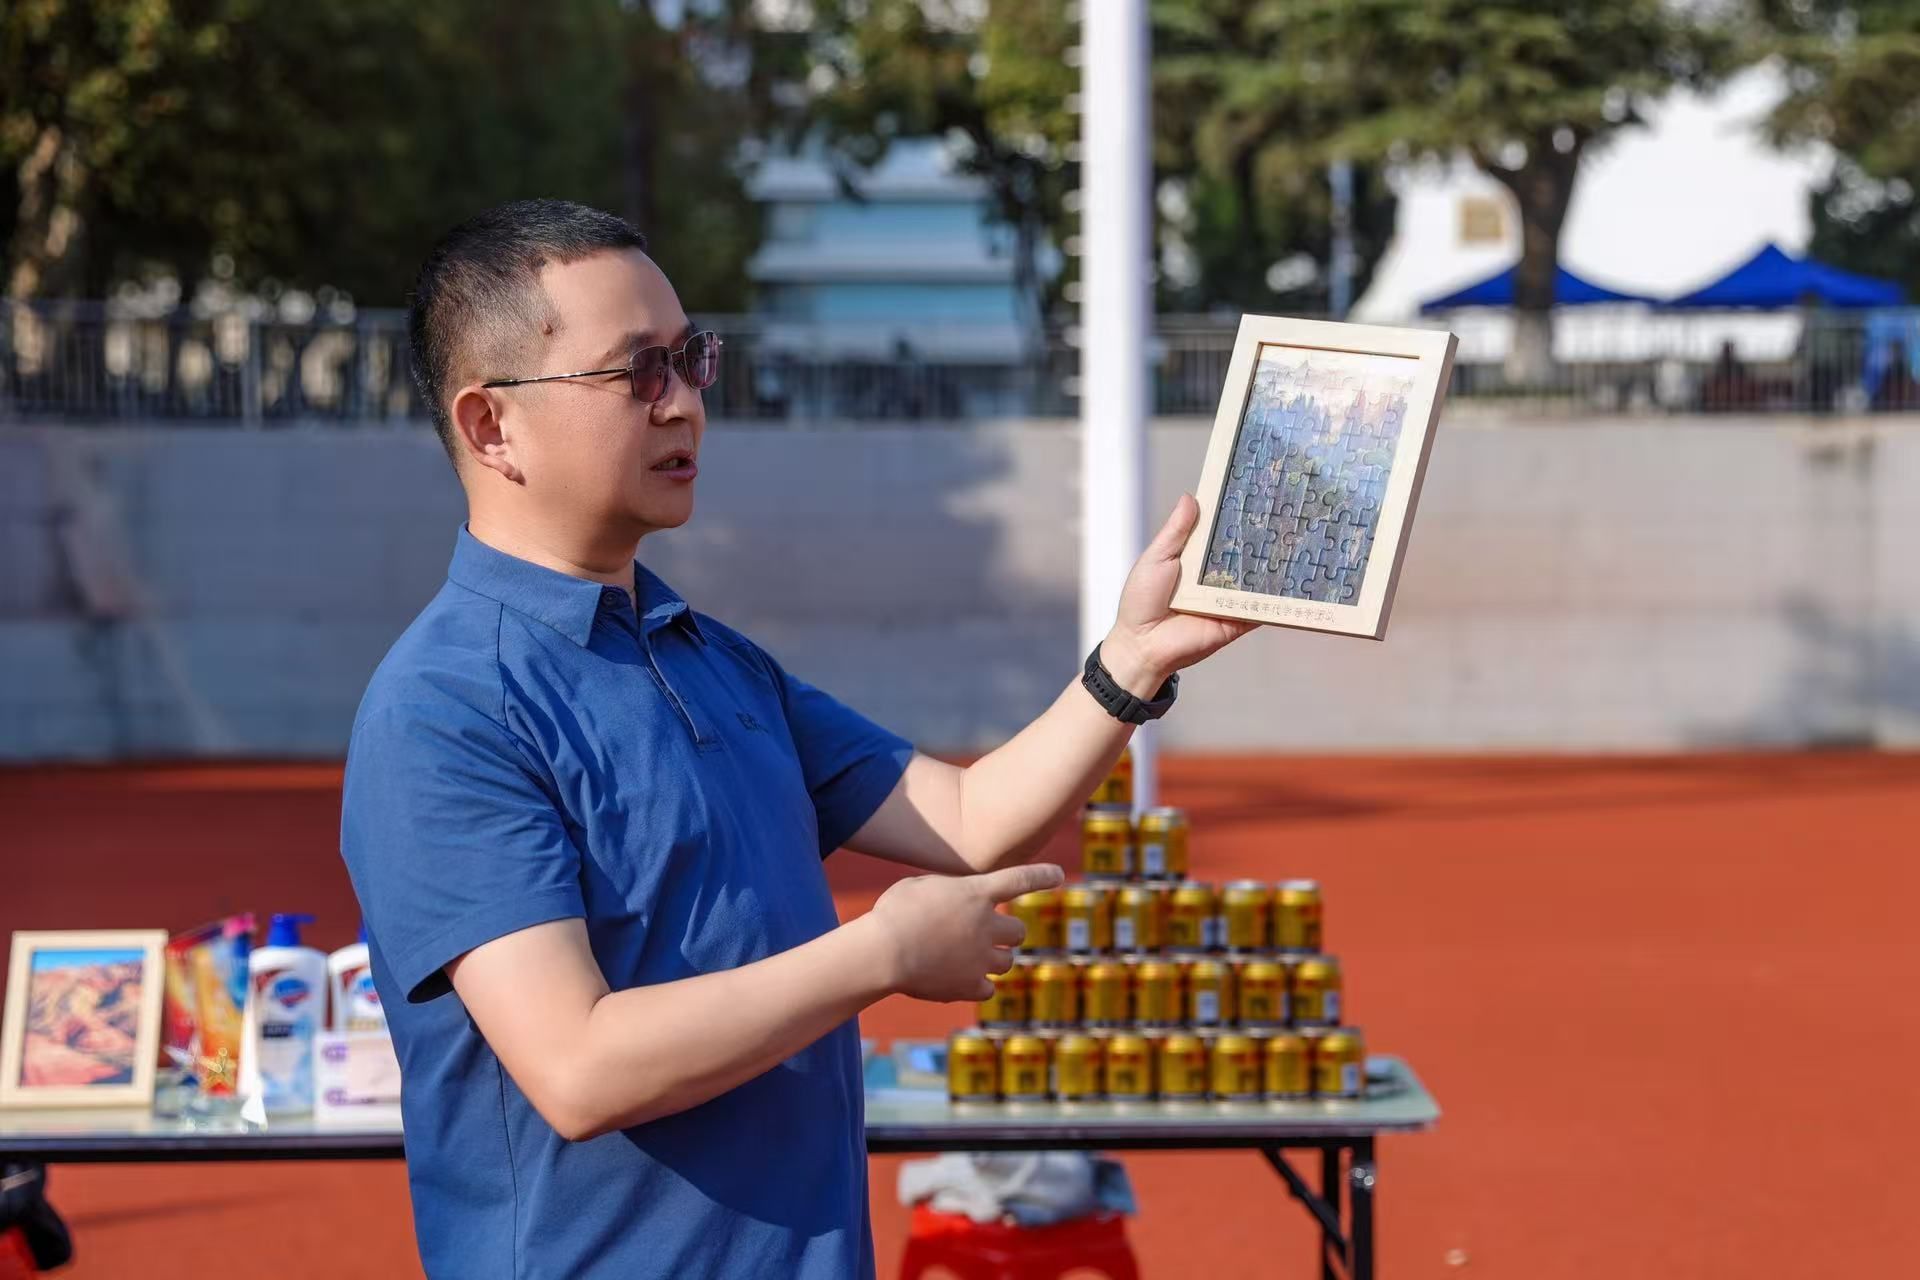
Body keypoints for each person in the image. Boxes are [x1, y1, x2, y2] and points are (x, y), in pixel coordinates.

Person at [339, 198, 1252, 1280]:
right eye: (637, 371)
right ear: (491, 425)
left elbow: (967, 819)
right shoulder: (444, 707)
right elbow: (577, 1065)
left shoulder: (708, 655)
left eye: (691, 359)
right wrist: (881, 954)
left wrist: (1131, 662)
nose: (685, 402)